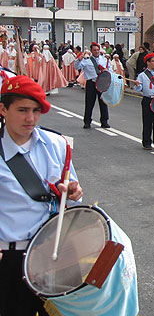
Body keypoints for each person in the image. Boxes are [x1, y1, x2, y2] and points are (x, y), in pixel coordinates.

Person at [0, 75, 83, 316]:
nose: (31, 119)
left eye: (36, 111)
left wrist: (74, 192)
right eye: (22, 110)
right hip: (11, 259)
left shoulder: (57, 144)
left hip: (57, 253)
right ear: (3, 109)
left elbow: (74, 191)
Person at [74, 42, 110, 129]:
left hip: (102, 83)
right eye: (94, 50)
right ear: (91, 51)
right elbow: (76, 67)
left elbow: (110, 70)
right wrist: (79, 59)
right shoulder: (86, 61)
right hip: (91, 83)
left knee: (103, 102)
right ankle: (87, 122)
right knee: (89, 103)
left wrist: (107, 72)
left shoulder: (104, 59)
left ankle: (104, 121)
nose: (96, 52)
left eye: (98, 50)